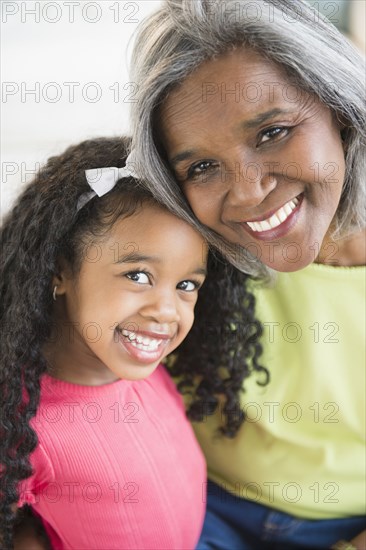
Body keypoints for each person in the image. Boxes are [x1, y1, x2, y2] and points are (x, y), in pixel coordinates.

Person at [129, 0, 366, 548]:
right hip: (201, 505)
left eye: (272, 133)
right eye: (203, 167)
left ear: (342, 109)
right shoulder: (180, 245)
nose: (249, 192)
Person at [0, 136, 264, 549]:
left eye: (186, 285)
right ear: (59, 270)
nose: (166, 310)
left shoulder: (149, 369)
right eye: (138, 275)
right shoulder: (21, 425)